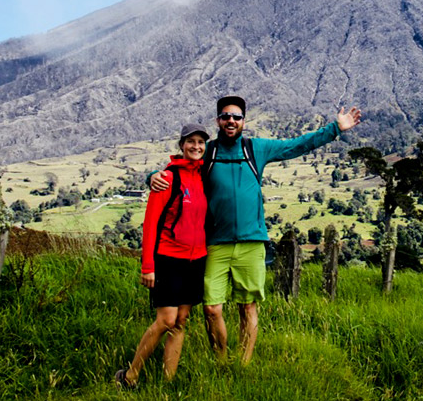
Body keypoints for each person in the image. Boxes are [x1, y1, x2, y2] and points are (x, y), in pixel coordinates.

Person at [152, 95, 362, 364]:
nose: (231, 121)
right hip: (215, 243)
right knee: (212, 308)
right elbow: (180, 167)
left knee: (247, 306)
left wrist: (335, 128)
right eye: (226, 116)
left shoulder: (256, 149)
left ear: (243, 121)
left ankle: (243, 364)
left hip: (252, 242)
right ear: (218, 120)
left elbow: (296, 146)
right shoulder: (209, 151)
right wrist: (153, 177)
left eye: (236, 117)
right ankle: (222, 362)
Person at [116, 122, 210, 385]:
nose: (196, 147)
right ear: (181, 145)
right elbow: (151, 223)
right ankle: (131, 375)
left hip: (196, 260)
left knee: (181, 321)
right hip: (169, 258)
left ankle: (168, 382)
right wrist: (147, 266)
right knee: (166, 319)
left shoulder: (205, 176)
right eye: (191, 142)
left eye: (201, 142)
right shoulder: (167, 178)